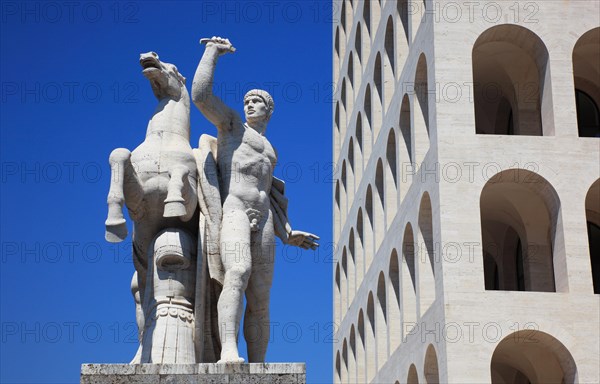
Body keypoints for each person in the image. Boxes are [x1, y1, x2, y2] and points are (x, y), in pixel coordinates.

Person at [191, 36, 319, 363]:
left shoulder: (271, 150)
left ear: (268, 110)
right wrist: (212, 54)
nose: (249, 104)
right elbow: (201, 96)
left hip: (263, 219)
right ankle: (229, 351)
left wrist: (287, 232)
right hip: (234, 209)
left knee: (261, 296)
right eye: (246, 100)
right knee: (238, 272)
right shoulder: (233, 126)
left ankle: (259, 365)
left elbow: (271, 195)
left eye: (256, 102)